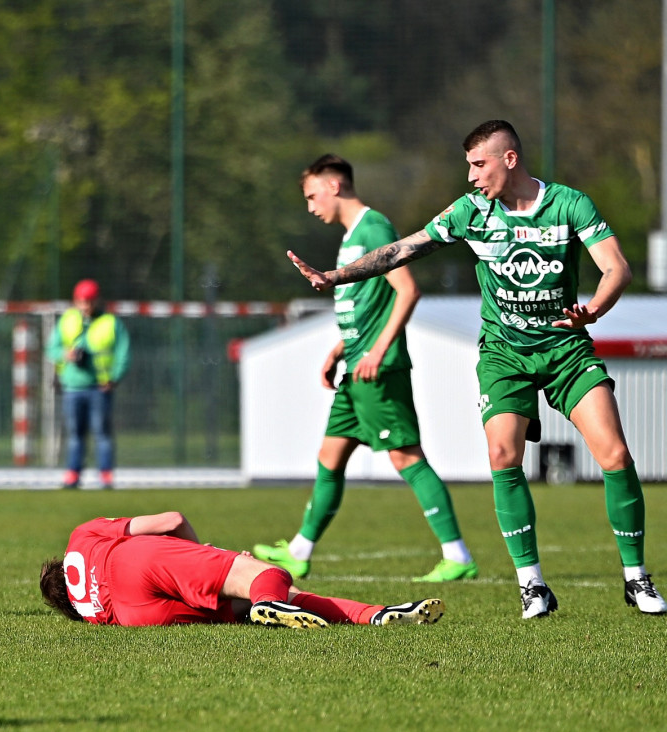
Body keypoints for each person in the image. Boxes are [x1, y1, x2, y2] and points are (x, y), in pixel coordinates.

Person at [286, 119, 667, 619]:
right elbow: (404, 249)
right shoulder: (471, 211)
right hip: (504, 354)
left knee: (615, 454)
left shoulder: (569, 204)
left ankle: (636, 578)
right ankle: (532, 585)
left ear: (509, 159)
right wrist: (335, 277)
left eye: (478, 164)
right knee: (503, 454)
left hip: (566, 350)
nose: (470, 176)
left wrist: (593, 308)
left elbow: (616, 267)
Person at [253, 155, 477, 584]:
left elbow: (407, 291)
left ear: (334, 186)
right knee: (329, 456)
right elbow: (367, 305)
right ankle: (299, 552)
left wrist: (376, 350)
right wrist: (339, 349)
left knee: (406, 456)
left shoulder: (373, 228)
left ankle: (457, 555)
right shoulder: (352, 237)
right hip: (355, 369)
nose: (310, 206)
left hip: (378, 370)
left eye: (312, 196)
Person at [40, 510, 445, 628]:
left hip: (135, 615)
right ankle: (267, 603)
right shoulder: (80, 538)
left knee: (250, 601)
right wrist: (205, 555)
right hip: (134, 562)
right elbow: (171, 520)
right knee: (267, 576)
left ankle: (374, 615)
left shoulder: (87, 614)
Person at [46, 279, 130, 490]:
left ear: (97, 300)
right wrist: (66, 354)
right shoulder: (67, 320)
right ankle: (73, 474)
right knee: (75, 433)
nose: (86, 305)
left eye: (90, 301)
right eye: (82, 301)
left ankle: (106, 475)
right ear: (76, 301)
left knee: (102, 432)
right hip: (73, 387)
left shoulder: (110, 322)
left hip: (100, 387)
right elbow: (51, 349)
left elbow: (123, 352)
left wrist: (114, 377)